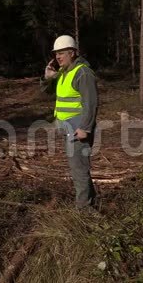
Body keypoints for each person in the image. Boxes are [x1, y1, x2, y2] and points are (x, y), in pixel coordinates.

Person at [40, 35, 99, 211]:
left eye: (62, 53)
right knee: (78, 169)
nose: (58, 57)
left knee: (79, 170)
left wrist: (85, 128)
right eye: (56, 53)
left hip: (78, 130)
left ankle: (84, 211)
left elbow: (91, 103)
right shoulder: (65, 72)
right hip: (69, 130)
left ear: (72, 53)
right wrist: (48, 77)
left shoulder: (83, 73)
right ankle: (89, 203)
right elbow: (47, 91)